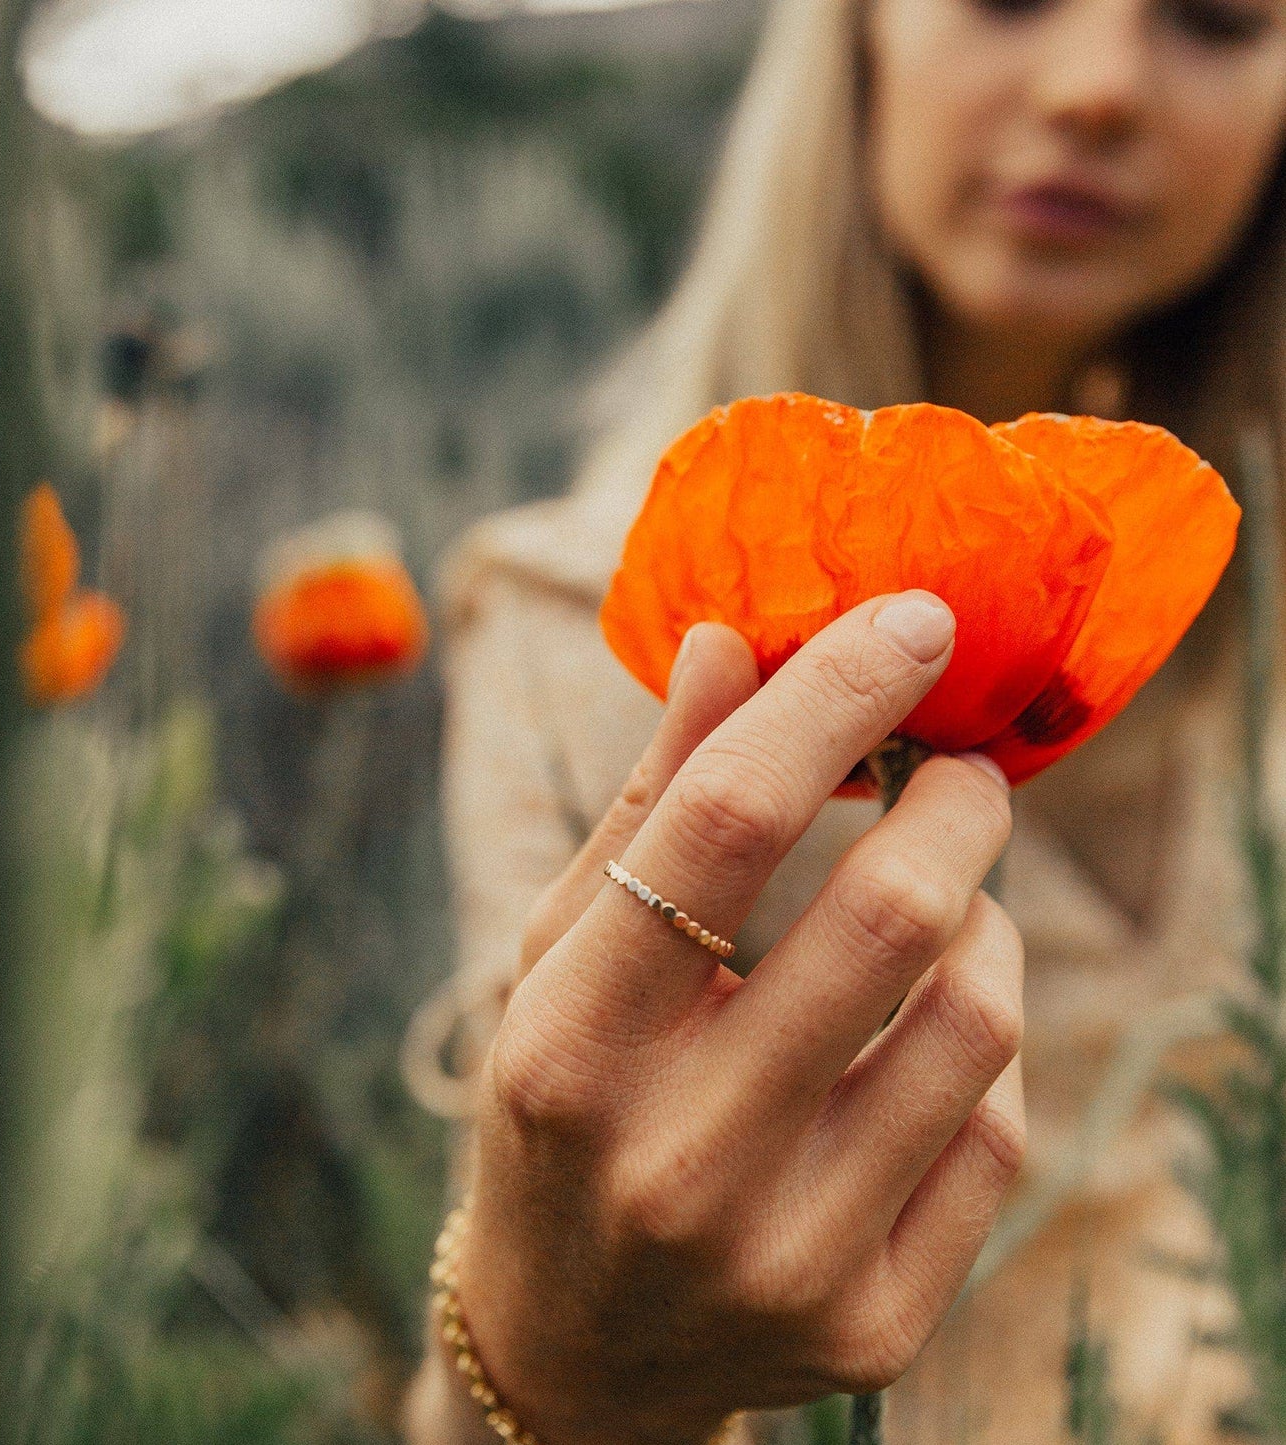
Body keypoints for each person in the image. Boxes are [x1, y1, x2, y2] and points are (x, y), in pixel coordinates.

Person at [400, 0, 1286, 1439]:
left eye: (1216, 20)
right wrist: (559, 1359)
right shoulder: (576, 635)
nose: (1096, 89)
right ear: (853, 37)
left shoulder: (1245, 612)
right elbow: (502, 1308)